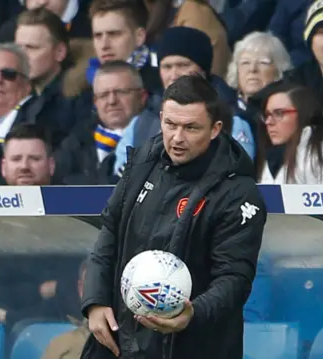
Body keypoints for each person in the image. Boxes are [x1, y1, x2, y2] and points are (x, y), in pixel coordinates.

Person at [80, 75, 267, 359]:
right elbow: (109, 233)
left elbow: (234, 278)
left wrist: (193, 315)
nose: (177, 138)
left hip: (195, 347)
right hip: (123, 342)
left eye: (191, 128)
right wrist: (95, 302)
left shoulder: (238, 192)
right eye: (170, 124)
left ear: (215, 129)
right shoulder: (143, 163)